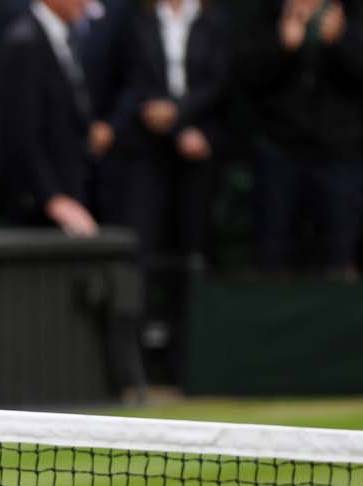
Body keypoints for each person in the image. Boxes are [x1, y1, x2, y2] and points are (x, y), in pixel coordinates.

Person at [116, 0, 232, 386]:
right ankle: (137, 369)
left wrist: (180, 116)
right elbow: (132, 81)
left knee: (194, 254)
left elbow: (218, 81)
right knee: (141, 254)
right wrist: (164, 120)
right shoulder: (140, 23)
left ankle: (193, 366)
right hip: (148, 150)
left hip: (200, 150)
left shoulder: (215, 23)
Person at [243, 0, 363, 277]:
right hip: (278, 152)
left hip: (338, 154)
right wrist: (281, 48)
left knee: (339, 257)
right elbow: (246, 76)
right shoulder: (268, 15)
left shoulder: (352, 13)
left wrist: (340, 40)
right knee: (272, 258)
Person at [0, 0, 99, 236]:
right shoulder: (25, 42)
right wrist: (52, 198)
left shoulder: (58, 37)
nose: (87, 3)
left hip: (65, 198)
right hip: (36, 211)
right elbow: (19, 132)